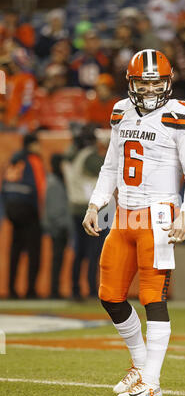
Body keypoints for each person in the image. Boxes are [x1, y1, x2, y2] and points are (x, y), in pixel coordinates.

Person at [83, 49, 185, 396]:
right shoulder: (120, 111)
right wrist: (95, 204)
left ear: (167, 83)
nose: (150, 90)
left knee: (153, 297)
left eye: (156, 83)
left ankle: (152, 381)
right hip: (123, 216)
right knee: (109, 295)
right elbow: (110, 166)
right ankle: (139, 364)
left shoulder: (181, 115)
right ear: (131, 83)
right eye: (143, 83)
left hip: (160, 215)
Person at [63, 124, 108, 301]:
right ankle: (90, 289)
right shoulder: (88, 156)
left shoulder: (70, 155)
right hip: (89, 210)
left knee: (80, 252)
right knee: (93, 252)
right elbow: (108, 167)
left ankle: (75, 288)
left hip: (75, 206)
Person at [1, 133, 46, 299]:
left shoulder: (13, 160)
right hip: (29, 210)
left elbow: (4, 186)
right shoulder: (33, 160)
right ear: (32, 145)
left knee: (15, 250)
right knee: (34, 251)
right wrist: (42, 213)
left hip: (12, 209)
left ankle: (11, 289)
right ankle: (30, 290)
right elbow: (41, 187)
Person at [43, 154, 72, 299]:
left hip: (60, 226)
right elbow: (54, 210)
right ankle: (54, 290)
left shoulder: (57, 181)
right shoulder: (55, 182)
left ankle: (55, 289)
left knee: (59, 259)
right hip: (58, 227)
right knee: (57, 259)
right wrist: (63, 224)